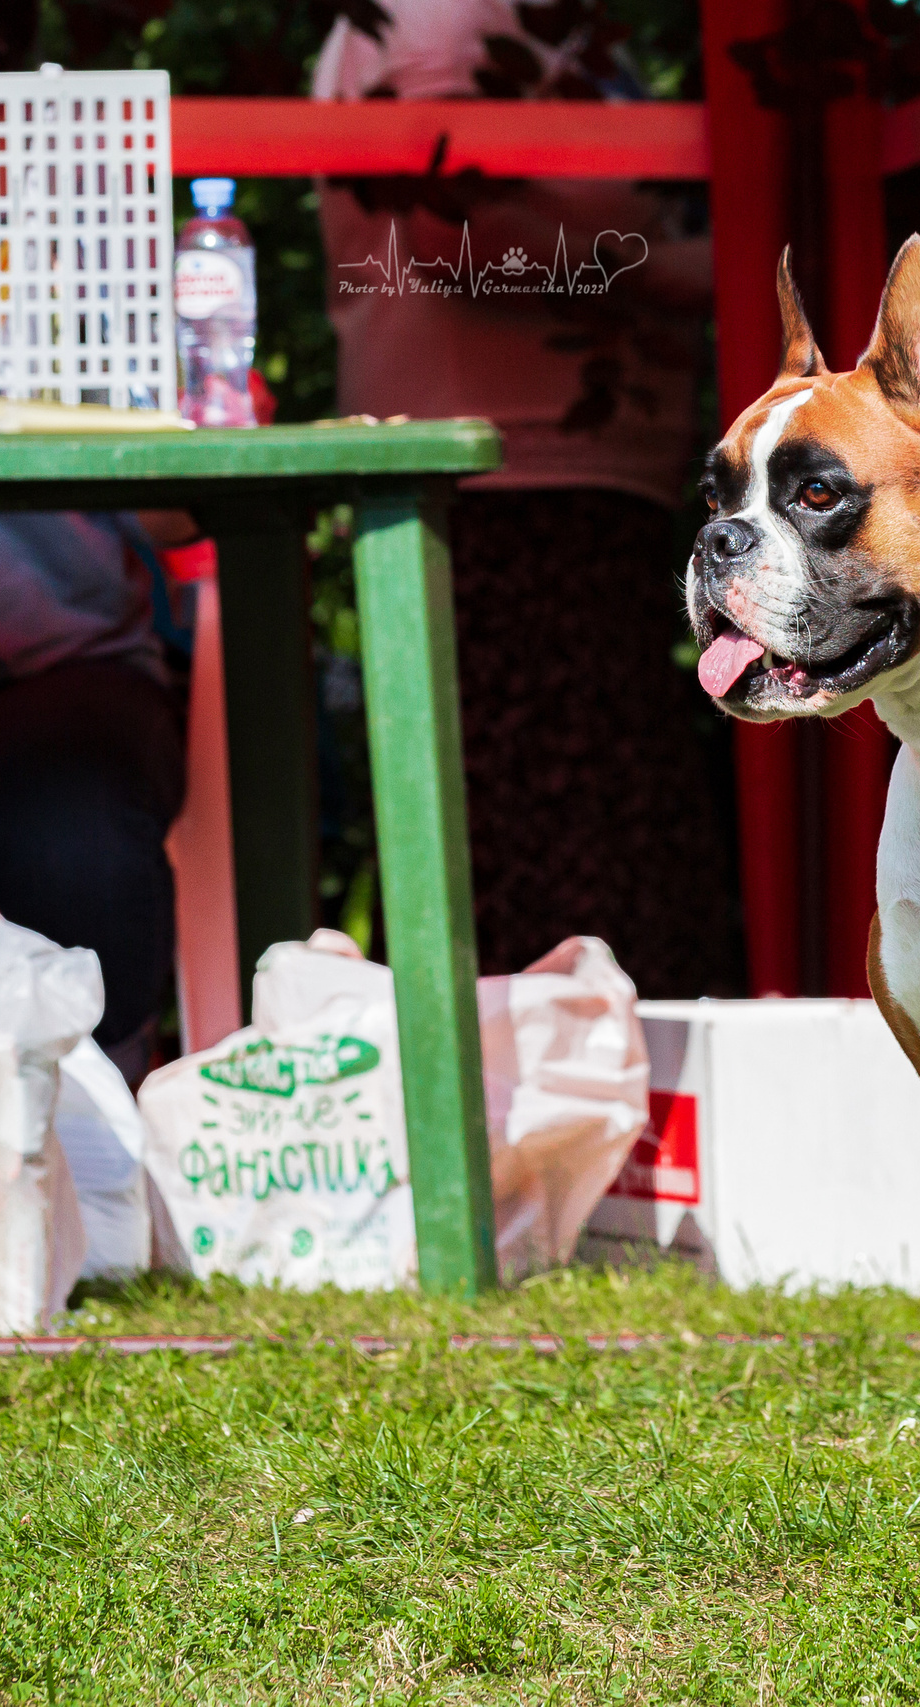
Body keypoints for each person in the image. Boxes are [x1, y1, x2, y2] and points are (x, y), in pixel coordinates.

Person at [314, 0, 739, 997]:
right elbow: (445, 233)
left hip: (567, 486)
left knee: (599, 833)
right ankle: (542, 1124)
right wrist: (669, 276)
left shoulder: (542, 21)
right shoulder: (439, 15)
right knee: (562, 850)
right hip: (504, 489)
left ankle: (598, 1118)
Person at [0, 0, 186, 1084]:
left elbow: (175, 500)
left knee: (74, 825)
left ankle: (105, 1134)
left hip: (52, 678)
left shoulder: (66, 204)